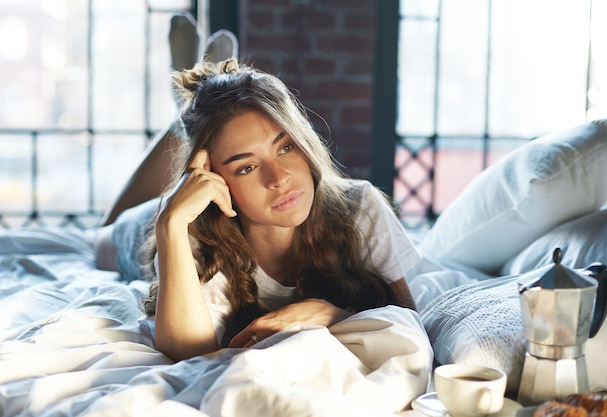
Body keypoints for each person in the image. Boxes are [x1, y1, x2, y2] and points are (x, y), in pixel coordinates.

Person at [96, 17, 422, 363]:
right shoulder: (194, 229)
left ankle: (197, 99)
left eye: (285, 148)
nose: (279, 178)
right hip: (147, 226)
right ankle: (187, 114)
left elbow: (406, 322)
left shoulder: (360, 208)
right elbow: (187, 355)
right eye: (247, 167)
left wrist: (329, 313)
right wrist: (170, 224)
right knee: (100, 237)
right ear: (211, 175)